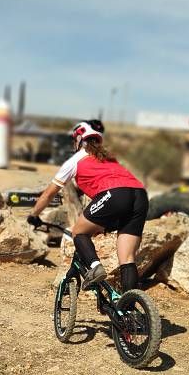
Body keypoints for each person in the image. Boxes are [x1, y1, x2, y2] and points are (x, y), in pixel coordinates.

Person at [27, 119, 147, 290]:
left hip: (115, 194)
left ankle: (95, 267)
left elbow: (48, 194)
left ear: (78, 139)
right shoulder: (109, 158)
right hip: (139, 195)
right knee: (127, 259)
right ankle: (130, 310)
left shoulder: (74, 161)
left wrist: (34, 215)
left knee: (79, 232)